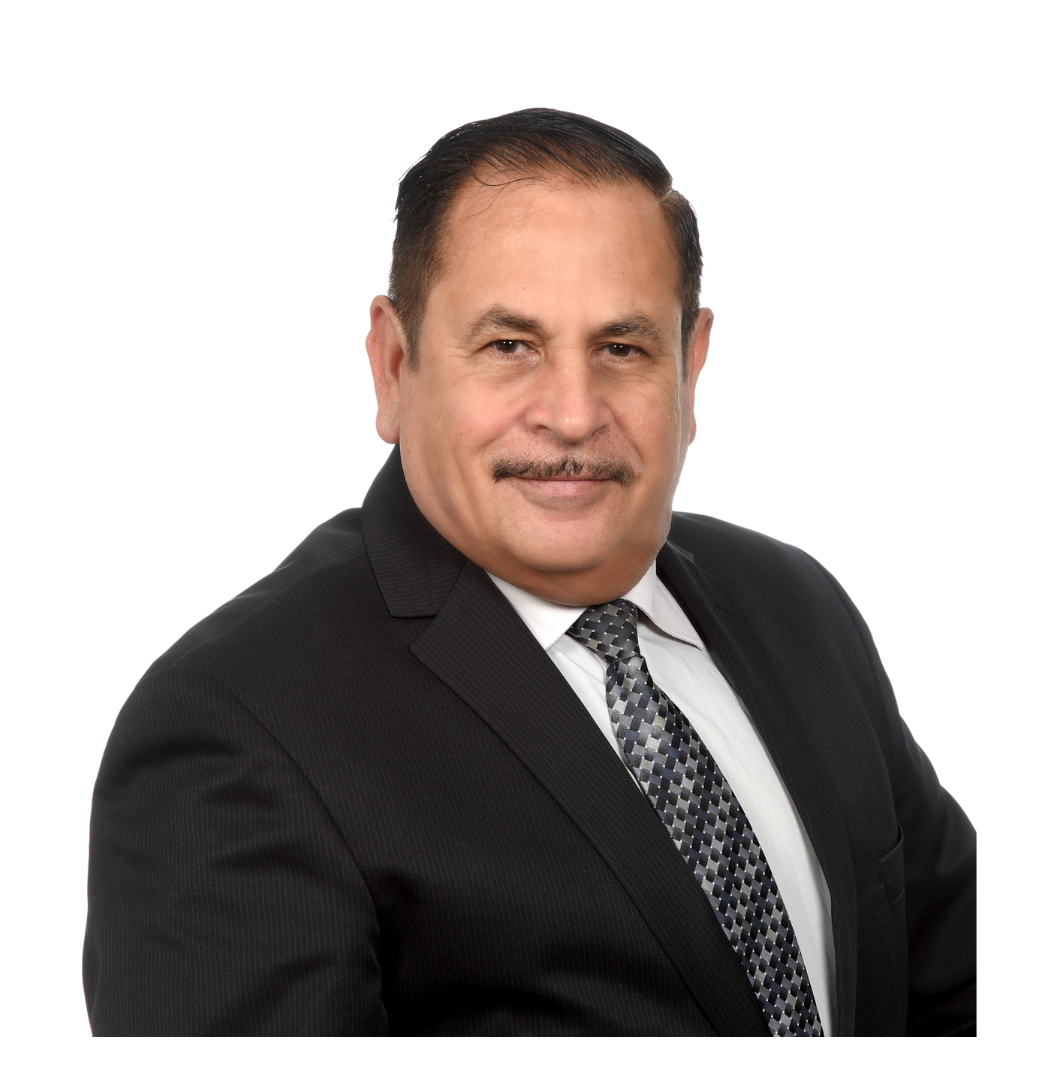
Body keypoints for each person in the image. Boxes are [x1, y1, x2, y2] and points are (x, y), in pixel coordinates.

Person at [83, 108, 977, 1037]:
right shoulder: (234, 726)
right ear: (393, 364)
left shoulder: (798, 605)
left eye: (622, 348)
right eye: (510, 346)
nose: (573, 413)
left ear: (692, 369)